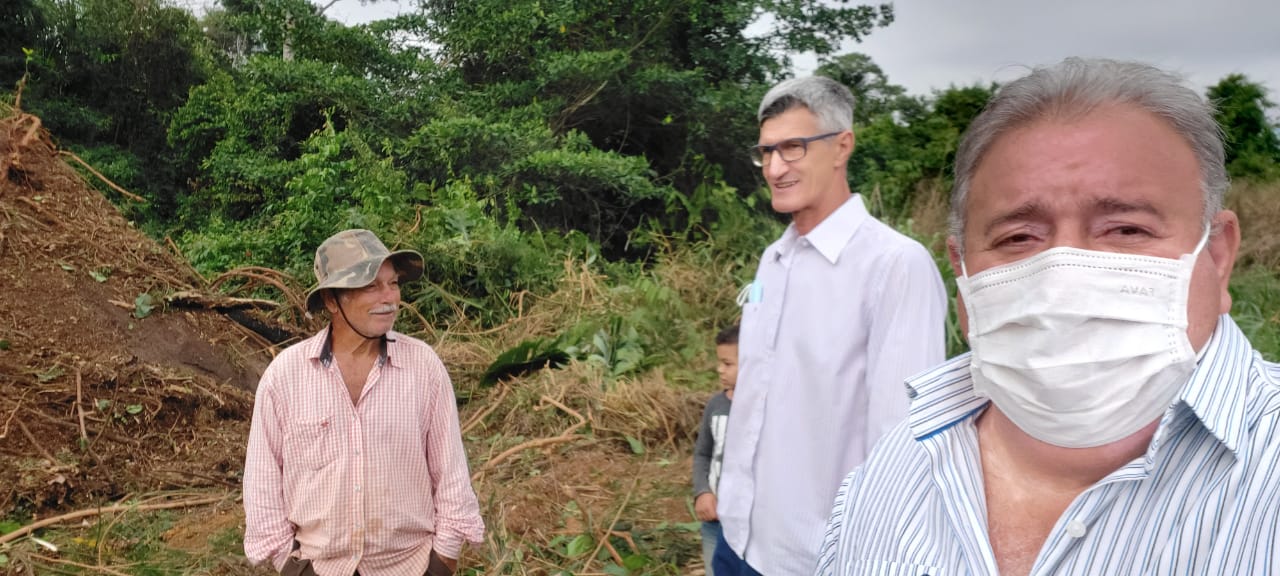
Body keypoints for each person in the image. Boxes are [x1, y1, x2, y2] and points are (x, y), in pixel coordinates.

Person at [816, 57, 1280, 576]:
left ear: (1216, 257)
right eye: (1018, 238)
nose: (1063, 277)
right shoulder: (892, 466)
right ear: (961, 271)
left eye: (1126, 229)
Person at [714, 76, 948, 576]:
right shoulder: (772, 261)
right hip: (737, 537)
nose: (775, 168)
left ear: (842, 146)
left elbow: (901, 439)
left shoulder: (893, 265)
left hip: (819, 555)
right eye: (766, 152)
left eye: (793, 148)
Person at [244, 229, 485, 576]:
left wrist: (443, 560)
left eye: (393, 283)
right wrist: (289, 564)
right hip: (320, 568)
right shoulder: (285, 377)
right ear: (331, 300)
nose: (389, 297)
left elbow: (451, 476)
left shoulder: (423, 367)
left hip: (409, 566)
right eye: (371, 286)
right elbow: (262, 484)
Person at [692, 325, 740, 576]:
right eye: (719, 362)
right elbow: (703, 454)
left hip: (747, 522)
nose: (720, 369)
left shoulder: (763, 408)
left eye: (728, 363)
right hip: (714, 521)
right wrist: (702, 492)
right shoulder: (716, 405)